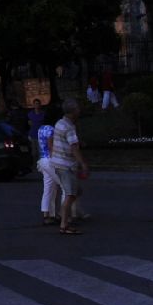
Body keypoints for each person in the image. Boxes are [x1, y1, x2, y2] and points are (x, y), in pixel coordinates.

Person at [49, 98, 87, 235]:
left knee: (76, 191)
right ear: (73, 111)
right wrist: (83, 164)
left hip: (58, 163)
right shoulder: (69, 127)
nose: (79, 111)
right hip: (66, 165)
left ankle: (63, 215)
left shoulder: (59, 123)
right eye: (77, 109)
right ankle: (64, 224)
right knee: (70, 194)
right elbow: (74, 148)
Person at [36, 111, 60, 226]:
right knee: (63, 184)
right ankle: (63, 214)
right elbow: (51, 146)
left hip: (42, 160)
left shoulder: (40, 129)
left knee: (48, 188)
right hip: (50, 160)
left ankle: (47, 214)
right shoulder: (51, 129)